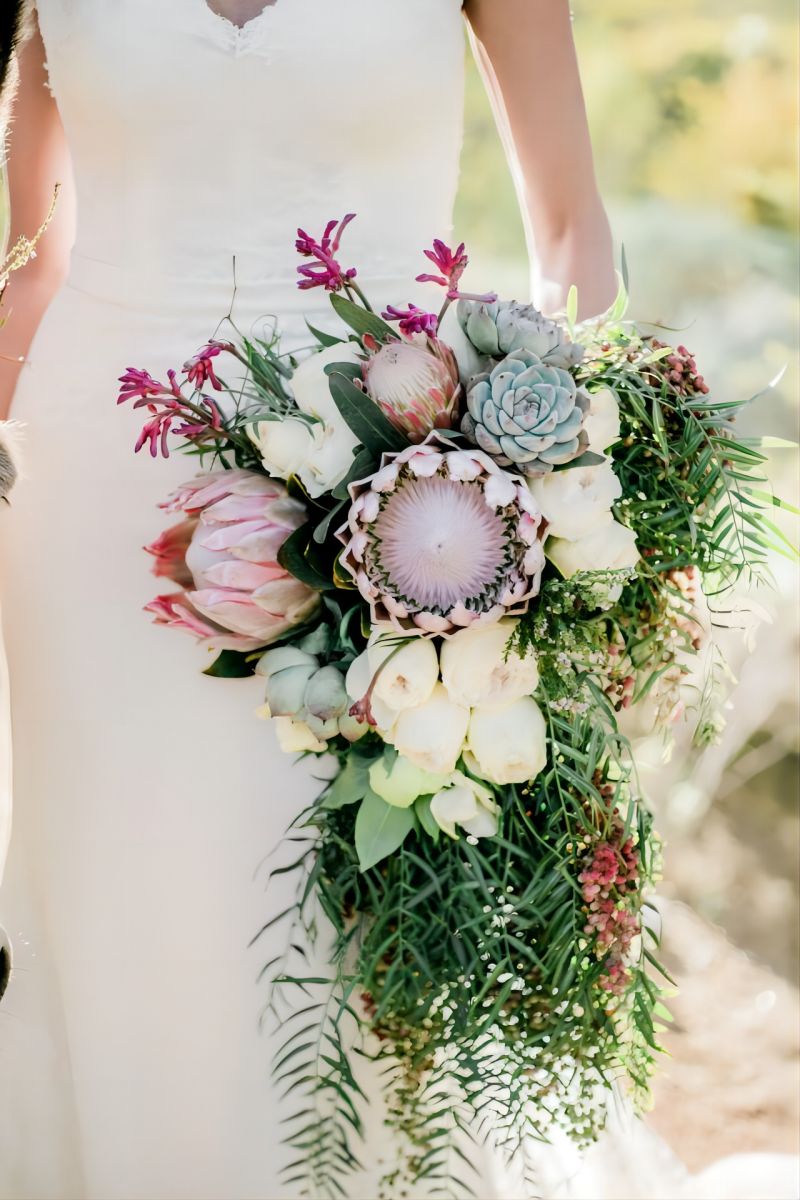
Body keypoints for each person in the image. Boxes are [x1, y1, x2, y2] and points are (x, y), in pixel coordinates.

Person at [0, 2, 714, 1198]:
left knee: (346, 922)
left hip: (404, 490)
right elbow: (28, 267)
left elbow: (567, 224)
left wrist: (565, 486)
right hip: (93, 501)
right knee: (122, 905)